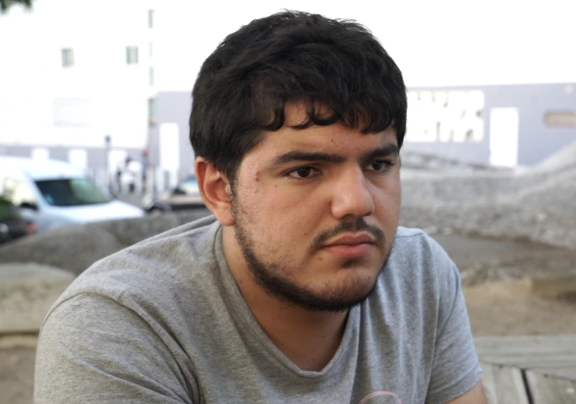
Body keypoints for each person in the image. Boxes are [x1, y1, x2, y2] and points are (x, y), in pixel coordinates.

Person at [34, 10, 486, 404]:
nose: (358, 200)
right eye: (305, 171)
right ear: (218, 190)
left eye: (379, 163)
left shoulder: (420, 274)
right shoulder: (118, 328)